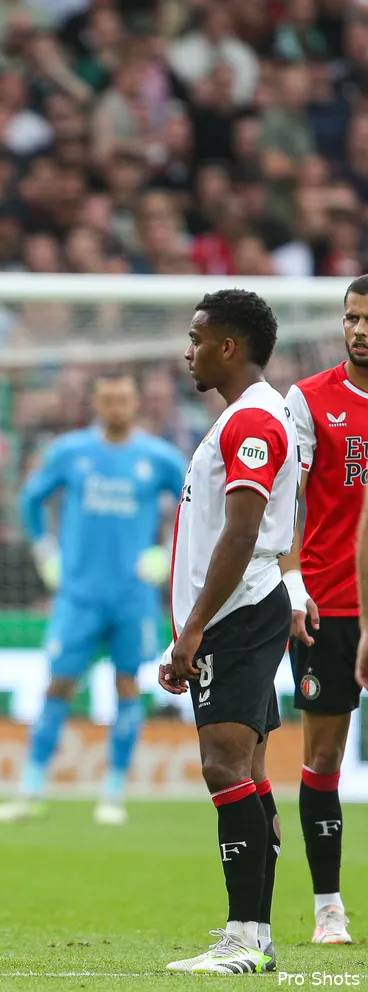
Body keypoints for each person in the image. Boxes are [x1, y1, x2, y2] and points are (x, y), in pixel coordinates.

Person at [160, 289, 296, 975]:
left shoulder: (252, 424)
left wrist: (191, 631)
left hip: (237, 613)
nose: (189, 350)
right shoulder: (245, 418)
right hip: (235, 612)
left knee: (223, 767)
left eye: (197, 336)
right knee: (247, 771)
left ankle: (246, 937)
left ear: (229, 347)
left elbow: (243, 533)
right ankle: (254, 935)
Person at [0, 375, 186, 826]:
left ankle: (113, 793)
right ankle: (30, 791)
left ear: (136, 403)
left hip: (132, 596)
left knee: (128, 686)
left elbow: (196, 504)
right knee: (58, 685)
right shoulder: (70, 452)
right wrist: (44, 550)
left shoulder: (158, 457)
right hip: (78, 594)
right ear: (96, 402)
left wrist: (166, 554)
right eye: (108, 398)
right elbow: (32, 501)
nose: (116, 405)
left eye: (124, 398)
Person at [280, 275, 368, 945]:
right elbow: (285, 500)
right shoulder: (309, 400)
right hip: (332, 605)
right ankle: (328, 906)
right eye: (352, 317)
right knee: (324, 755)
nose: (359, 329)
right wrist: (292, 582)